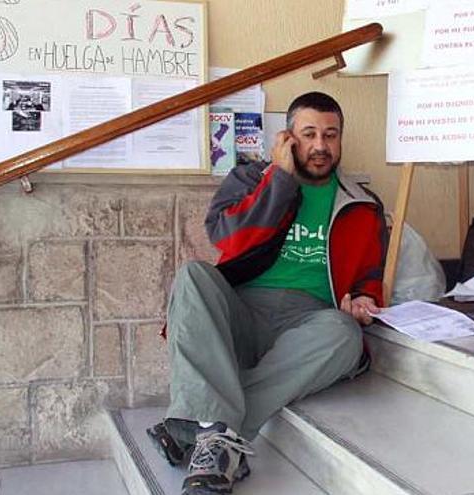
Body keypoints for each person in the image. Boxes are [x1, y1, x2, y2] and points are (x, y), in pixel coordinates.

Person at [148, 92, 388, 495]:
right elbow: (228, 235)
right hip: (242, 312)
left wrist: (362, 298)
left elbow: (370, 273)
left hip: (309, 324)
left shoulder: (362, 205)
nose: (320, 146)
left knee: (346, 335)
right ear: (288, 138)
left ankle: (208, 431)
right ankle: (216, 433)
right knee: (193, 275)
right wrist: (279, 178)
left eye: (331, 135)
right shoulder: (249, 179)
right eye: (309, 134)